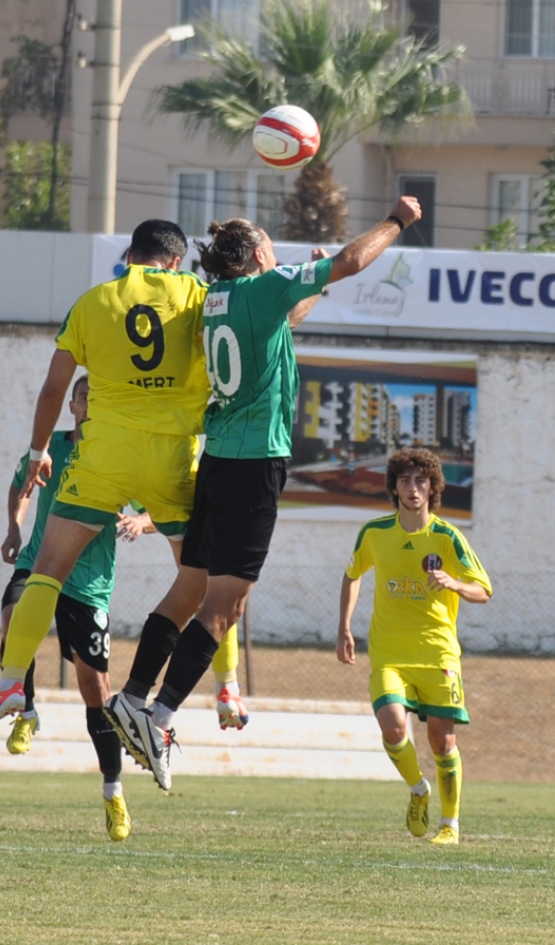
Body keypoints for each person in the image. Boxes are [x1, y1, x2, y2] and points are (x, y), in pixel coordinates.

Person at [106, 197, 423, 792]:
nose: (277, 259)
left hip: (221, 459)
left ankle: (130, 697)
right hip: (254, 467)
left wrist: (312, 290)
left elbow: (287, 318)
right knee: (226, 607)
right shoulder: (265, 286)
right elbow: (354, 260)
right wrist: (397, 220)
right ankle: (161, 716)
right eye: (272, 252)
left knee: (191, 586)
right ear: (258, 256)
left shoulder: (217, 302)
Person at [0, 219, 247, 761]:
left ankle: (8, 684)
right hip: (172, 459)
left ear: (131, 255)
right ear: (175, 260)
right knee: (211, 581)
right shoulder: (197, 295)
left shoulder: (93, 301)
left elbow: (54, 386)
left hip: (104, 457)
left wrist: (37, 451)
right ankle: (226, 686)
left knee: (45, 570)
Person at [0, 373, 148, 842]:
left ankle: (113, 791)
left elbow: (157, 506)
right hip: (39, 563)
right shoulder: (52, 449)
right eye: (83, 397)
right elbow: (22, 484)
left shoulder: (117, 456)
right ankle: (26, 713)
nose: (89, 404)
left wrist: (140, 522)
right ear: (73, 406)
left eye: (97, 398)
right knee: (12, 615)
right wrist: (14, 528)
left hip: (88, 584)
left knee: (95, 689)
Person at [336, 448, 492, 846]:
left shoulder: (447, 537)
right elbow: (352, 574)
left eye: (421, 481)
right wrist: (344, 627)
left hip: (438, 653)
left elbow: (483, 590)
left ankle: (450, 825)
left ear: (433, 488)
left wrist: (455, 584)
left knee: (443, 741)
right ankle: (418, 788)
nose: (413, 488)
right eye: (405, 481)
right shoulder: (374, 534)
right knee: (392, 726)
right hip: (390, 652)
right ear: (393, 487)